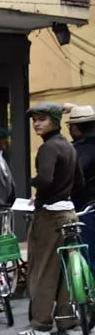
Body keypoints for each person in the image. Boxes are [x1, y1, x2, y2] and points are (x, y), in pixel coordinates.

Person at [18, 103, 85, 335]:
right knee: (66, 271)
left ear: (55, 121)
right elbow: (79, 183)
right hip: (69, 213)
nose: (36, 123)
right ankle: (68, 324)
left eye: (42, 119)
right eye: (34, 119)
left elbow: (44, 179)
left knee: (43, 269)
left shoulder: (47, 148)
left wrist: (34, 184)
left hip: (49, 216)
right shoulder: (69, 147)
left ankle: (41, 325)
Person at [66, 106, 95, 266]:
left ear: (75, 128)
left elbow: (73, 178)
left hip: (86, 208)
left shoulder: (79, 150)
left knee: (89, 254)